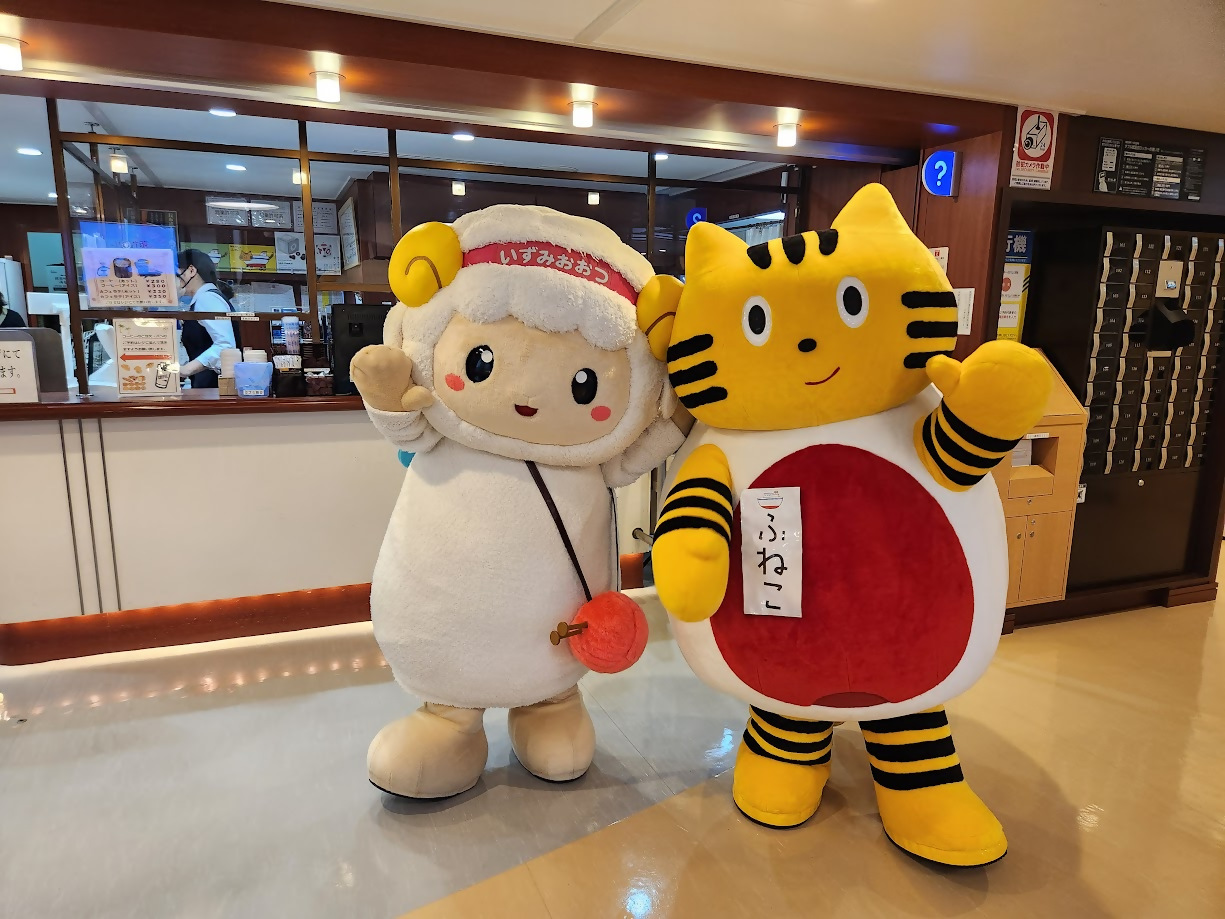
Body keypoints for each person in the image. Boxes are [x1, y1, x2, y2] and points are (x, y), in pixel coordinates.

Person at [175, 248, 237, 389]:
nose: (175, 280)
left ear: (191, 271)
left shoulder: (207, 298)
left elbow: (225, 345)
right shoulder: (203, 298)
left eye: (177, 274)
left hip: (213, 386)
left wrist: (186, 370)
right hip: (208, 385)